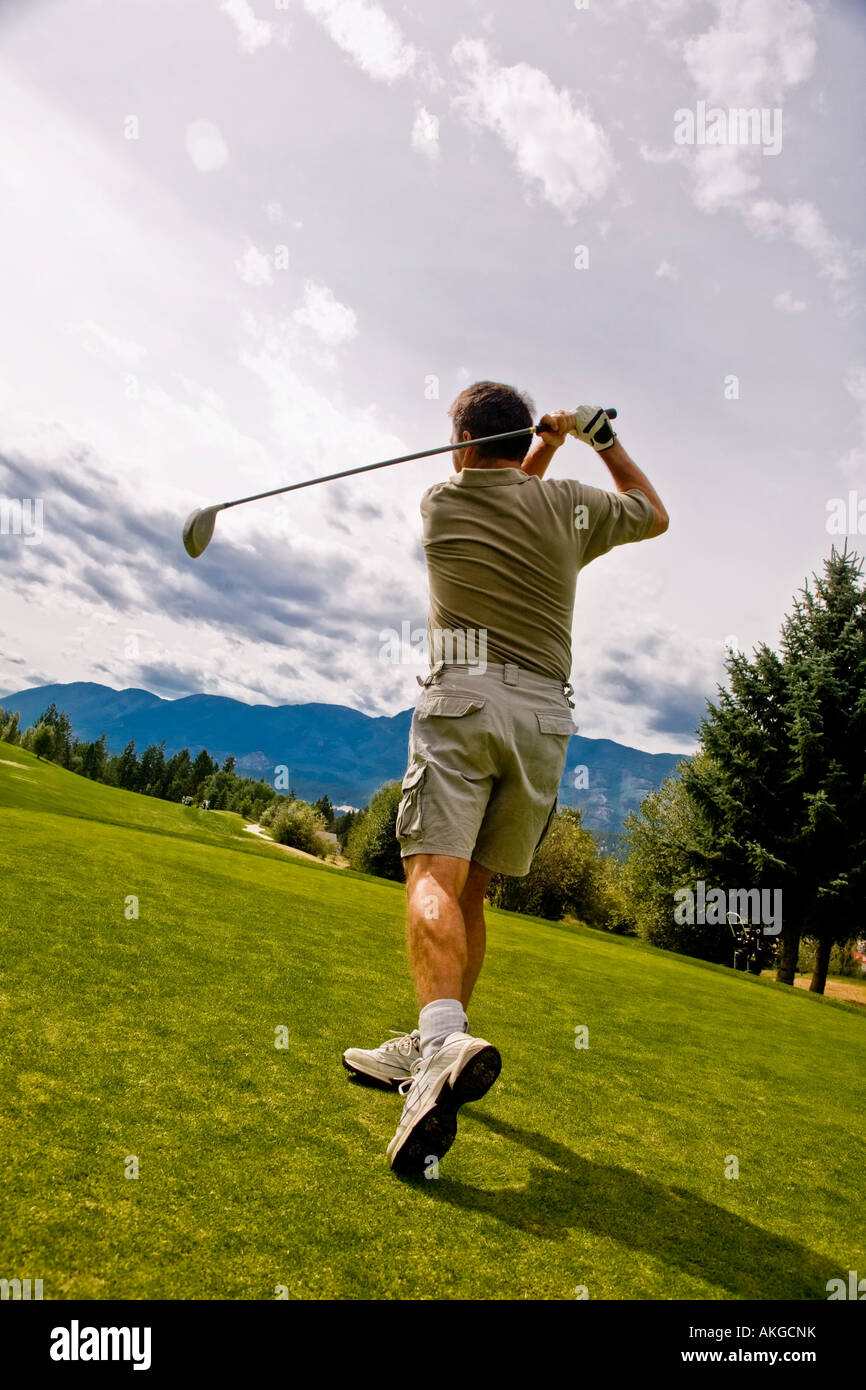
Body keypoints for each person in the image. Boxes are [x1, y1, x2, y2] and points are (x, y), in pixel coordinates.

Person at [343, 381, 669, 1173]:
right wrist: (591, 439)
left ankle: (441, 1044)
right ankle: (437, 1042)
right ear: (520, 437)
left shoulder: (442, 504)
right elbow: (653, 512)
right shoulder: (566, 507)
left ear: (459, 446)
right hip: (545, 723)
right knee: (472, 893)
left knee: (428, 874)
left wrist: (544, 445)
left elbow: (497, 483)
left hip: (465, 701)